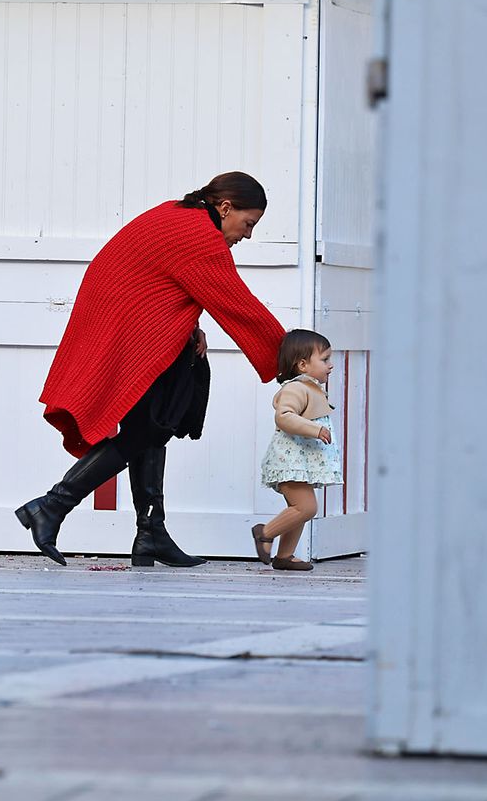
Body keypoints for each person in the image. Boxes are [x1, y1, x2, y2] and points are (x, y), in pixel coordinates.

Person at [18, 172, 286, 567]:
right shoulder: (199, 237)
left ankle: (150, 533)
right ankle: (53, 505)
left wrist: (187, 325)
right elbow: (237, 305)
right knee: (150, 428)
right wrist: (292, 355)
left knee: (152, 426)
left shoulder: (176, 215)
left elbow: (161, 282)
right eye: (248, 224)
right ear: (225, 207)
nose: (246, 236)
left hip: (131, 332)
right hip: (131, 337)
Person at [251, 329, 344, 572]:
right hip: (288, 462)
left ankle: (285, 556)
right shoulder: (296, 388)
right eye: (324, 360)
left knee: (299, 510)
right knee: (306, 508)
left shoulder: (310, 387)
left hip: (300, 463)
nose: (330, 365)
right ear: (303, 364)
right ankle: (265, 533)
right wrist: (314, 429)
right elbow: (284, 417)